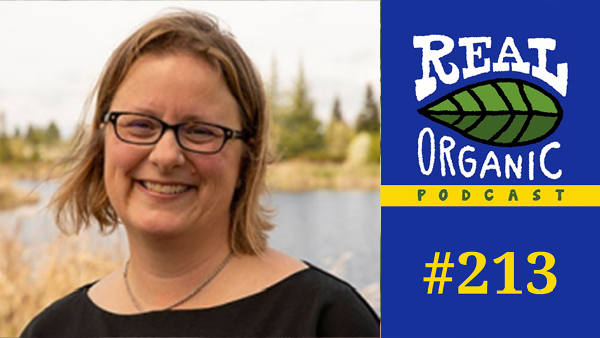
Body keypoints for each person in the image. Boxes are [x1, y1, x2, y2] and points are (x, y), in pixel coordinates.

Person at [20, 9, 380, 338]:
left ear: (247, 155)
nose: (166, 156)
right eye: (140, 124)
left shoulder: (325, 320)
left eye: (201, 131)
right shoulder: (53, 330)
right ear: (102, 138)